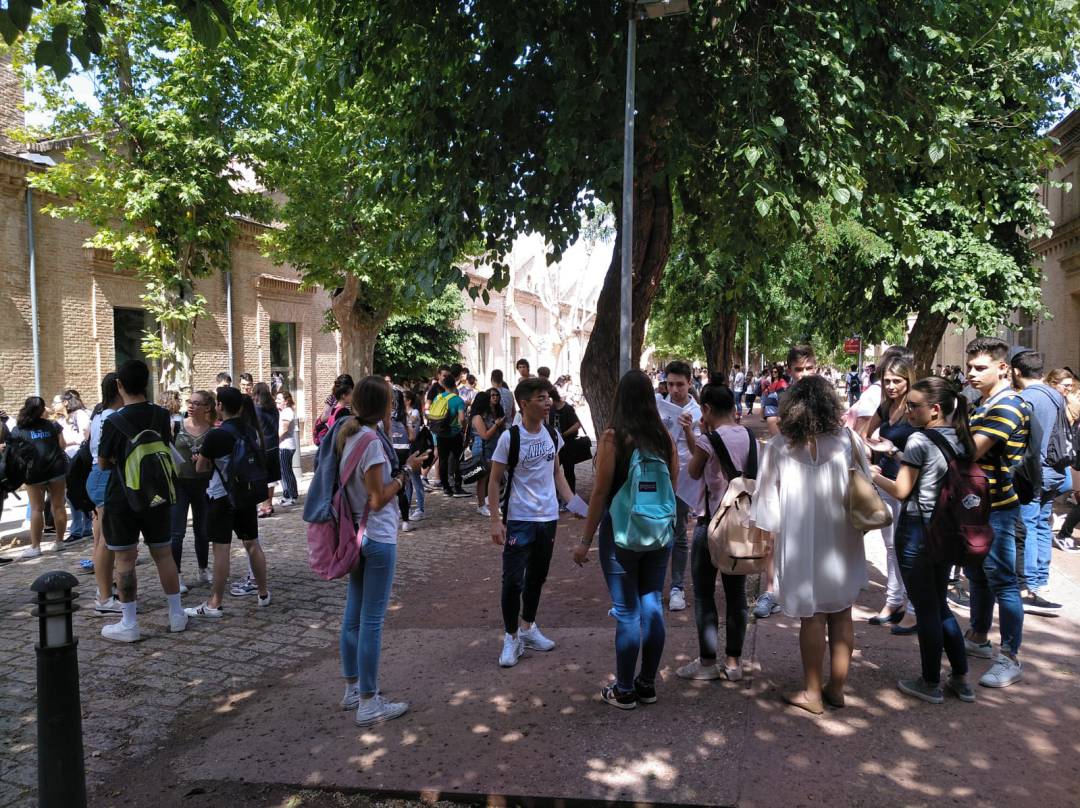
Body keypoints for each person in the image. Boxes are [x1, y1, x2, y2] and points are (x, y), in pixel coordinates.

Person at [750, 375, 868, 714]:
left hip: (800, 540)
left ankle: (812, 692)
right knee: (842, 611)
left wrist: (768, 539)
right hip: (842, 537)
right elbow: (866, 484)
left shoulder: (778, 447)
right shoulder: (848, 440)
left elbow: (767, 506)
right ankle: (837, 688)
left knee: (812, 616)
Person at [573, 369, 677, 708]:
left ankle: (624, 689)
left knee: (627, 612)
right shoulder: (664, 438)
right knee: (652, 606)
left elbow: (601, 492)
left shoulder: (612, 438)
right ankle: (647, 683)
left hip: (620, 536)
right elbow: (671, 489)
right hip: (659, 534)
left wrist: (585, 540)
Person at [872, 377, 976, 704]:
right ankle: (960, 677)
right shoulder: (961, 436)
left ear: (934, 409)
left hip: (918, 528)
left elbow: (902, 490)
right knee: (940, 604)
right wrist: (897, 452)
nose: (909, 410)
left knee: (927, 608)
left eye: (914, 405)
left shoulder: (919, 439)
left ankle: (930, 681)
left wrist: (874, 475)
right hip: (947, 529)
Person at [335, 376, 426, 726]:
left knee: (353, 616)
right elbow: (378, 497)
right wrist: (406, 473)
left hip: (356, 536)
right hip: (377, 536)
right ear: (383, 405)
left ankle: (352, 689)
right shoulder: (371, 443)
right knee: (371, 621)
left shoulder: (347, 436)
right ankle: (369, 703)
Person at [97, 360, 188, 641]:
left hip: (122, 496)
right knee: (163, 553)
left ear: (119, 386)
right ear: (147, 383)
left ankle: (129, 623)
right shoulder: (161, 415)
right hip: (157, 493)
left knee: (124, 558)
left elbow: (102, 463)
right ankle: (176, 615)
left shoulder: (112, 420)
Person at [488, 377, 575, 667]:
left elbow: (558, 473)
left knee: (537, 577)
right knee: (513, 581)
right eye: (541, 398)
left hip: (548, 518)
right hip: (519, 519)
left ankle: (528, 627)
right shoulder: (509, 438)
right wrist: (495, 520)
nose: (548, 402)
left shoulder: (552, 434)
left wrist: (575, 504)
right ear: (524, 404)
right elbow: (494, 480)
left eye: (548, 396)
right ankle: (511, 637)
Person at [961, 337, 1029, 687]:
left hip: (998, 508)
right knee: (977, 575)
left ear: (1003, 368)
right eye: (970, 366)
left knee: (1003, 582)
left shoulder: (1007, 405)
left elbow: (969, 450)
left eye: (980, 367)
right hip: (977, 505)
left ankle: (1011, 655)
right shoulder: (983, 403)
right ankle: (978, 637)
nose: (971, 373)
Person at [679, 382, 751, 682]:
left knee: (705, 594)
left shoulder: (709, 440)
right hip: (741, 523)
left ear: (706, 410)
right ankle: (734, 663)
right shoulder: (749, 436)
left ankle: (708, 662)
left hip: (711, 524)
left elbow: (694, 471)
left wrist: (695, 436)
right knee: (737, 595)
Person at [183, 386, 271, 619]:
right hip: (245, 495)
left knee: (221, 549)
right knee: (252, 543)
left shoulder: (216, 434)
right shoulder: (250, 430)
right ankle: (263, 593)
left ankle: (215, 603)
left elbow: (201, 467)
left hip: (221, 497)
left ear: (219, 406)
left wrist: (199, 458)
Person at [753, 345, 818, 619]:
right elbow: (775, 428)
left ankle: (809, 585)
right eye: (798, 369)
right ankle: (770, 591)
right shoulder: (776, 394)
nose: (803, 374)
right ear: (789, 369)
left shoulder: (823, 397)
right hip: (785, 468)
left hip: (817, 472)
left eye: (808, 368)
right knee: (773, 531)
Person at [860, 356, 919, 634]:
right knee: (892, 546)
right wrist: (872, 454)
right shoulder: (885, 407)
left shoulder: (916, 409)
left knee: (912, 549)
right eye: (887, 381)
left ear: (909, 380)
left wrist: (892, 450)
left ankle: (913, 606)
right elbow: (863, 434)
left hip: (912, 487)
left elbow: (927, 452)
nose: (892, 386)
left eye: (897, 381)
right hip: (886, 483)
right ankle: (894, 600)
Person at [1010, 349, 1069, 612]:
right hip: (1055, 469)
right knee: (1043, 524)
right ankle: (1041, 580)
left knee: (1029, 526)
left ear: (1015, 371)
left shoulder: (1025, 399)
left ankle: (1030, 585)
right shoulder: (1056, 395)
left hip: (1034, 471)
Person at [655, 360, 702, 612]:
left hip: (684, 480)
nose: (674, 389)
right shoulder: (659, 407)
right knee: (655, 530)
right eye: (670, 384)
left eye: (680, 384)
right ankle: (652, 587)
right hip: (659, 477)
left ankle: (677, 588)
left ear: (689, 383)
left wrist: (689, 430)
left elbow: (699, 453)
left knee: (679, 533)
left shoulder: (697, 413)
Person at [9, 396, 68, 558]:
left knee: (36, 508)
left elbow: (12, 451)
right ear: (42, 409)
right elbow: (62, 445)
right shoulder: (51, 425)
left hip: (33, 473)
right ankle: (60, 542)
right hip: (56, 470)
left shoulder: (19, 428)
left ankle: (35, 547)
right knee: (58, 506)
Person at [170, 389, 215, 593]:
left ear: (207, 407)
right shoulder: (176, 426)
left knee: (202, 529)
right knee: (177, 531)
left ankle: (203, 568)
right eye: (190, 402)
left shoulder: (212, 430)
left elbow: (216, 459)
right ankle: (176, 574)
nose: (191, 405)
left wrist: (206, 460)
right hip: (180, 483)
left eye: (196, 403)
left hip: (203, 483)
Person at [86, 373, 122, 613]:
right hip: (105, 476)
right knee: (106, 541)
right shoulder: (113, 417)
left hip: (96, 475)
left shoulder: (99, 414)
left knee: (100, 540)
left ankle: (104, 589)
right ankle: (105, 597)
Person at [59, 389, 93, 543]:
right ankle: (83, 527)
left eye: (58, 402)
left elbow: (85, 434)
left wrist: (71, 442)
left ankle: (79, 529)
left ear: (66, 402)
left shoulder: (80, 414)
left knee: (74, 493)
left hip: (77, 458)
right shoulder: (65, 417)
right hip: (69, 457)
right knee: (75, 493)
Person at [469, 388, 505, 517]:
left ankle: (488, 502)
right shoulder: (477, 417)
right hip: (482, 449)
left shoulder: (486, 415)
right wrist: (496, 425)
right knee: (482, 479)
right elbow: (484, 435)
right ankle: (481, 505)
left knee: (491, 477)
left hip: (490, 448)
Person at [253, 382, 280, 518]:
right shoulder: (274, 409)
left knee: (263, 477)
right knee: (272, 476)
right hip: (274, 445)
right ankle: (269, 504)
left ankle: (264, 506)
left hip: (263, 446)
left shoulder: (257, 410)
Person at [549, 387, 582, 494]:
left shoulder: (567, 408)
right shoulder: (550, 409)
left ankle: (571, 497)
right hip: (555, 446)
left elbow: (577, 424)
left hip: (568, 445)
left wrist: (563, 435)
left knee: (569, 472)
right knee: (552, 471)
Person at [403, 388, 427, 523]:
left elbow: (411, 425)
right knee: (407, 481)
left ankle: (420, 509)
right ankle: (406, 507)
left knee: (415, 479)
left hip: (414, 449)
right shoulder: (404, 413)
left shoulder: (415, 412)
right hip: (406, 449)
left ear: (408, 401)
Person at [276, 390, 299, 506]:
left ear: (285, 401)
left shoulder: (287, 411)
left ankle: (292, 496)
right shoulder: (284, 411)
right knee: (283, 472)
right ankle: (286, 495)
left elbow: (284, 429)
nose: (276, 401)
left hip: (286, 446)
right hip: (283, 446)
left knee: (286, 471)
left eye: (279, 399)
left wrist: (275, 441)